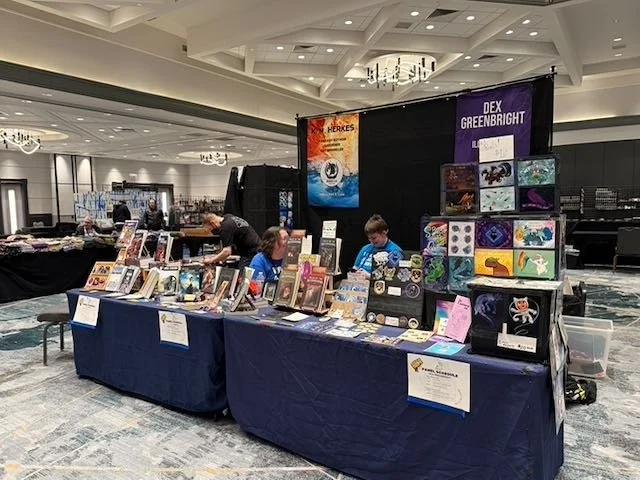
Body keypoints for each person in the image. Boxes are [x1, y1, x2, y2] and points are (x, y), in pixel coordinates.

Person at [352, 214, 402, 279]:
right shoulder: (365, 249)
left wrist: (369, 276)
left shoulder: (396, 252)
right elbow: (354, 269)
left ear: (384, 233)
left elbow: (391, 278)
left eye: (374, 238)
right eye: (369, 238)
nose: (371, 241)